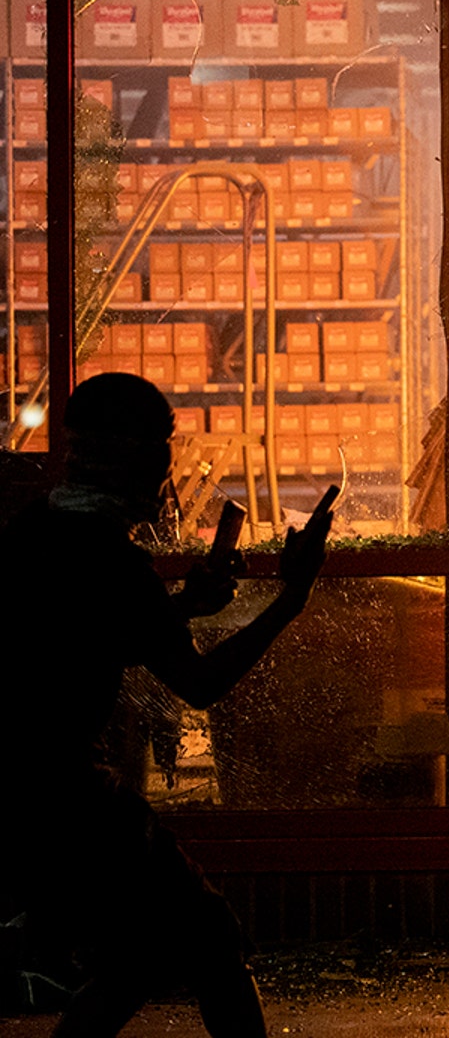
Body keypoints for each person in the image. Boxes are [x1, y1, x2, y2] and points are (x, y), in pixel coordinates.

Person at [0, 373, 332, 1038]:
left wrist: (179, 607)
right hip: (68, 797)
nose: (168, 474)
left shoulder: (33, 532)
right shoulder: (114, 564)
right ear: (140, 463)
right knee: (211, 939)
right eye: (162, 456)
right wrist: (289, 601)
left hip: (19, 791)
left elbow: (74, 638)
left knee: (134, 959)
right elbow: (199, 683)